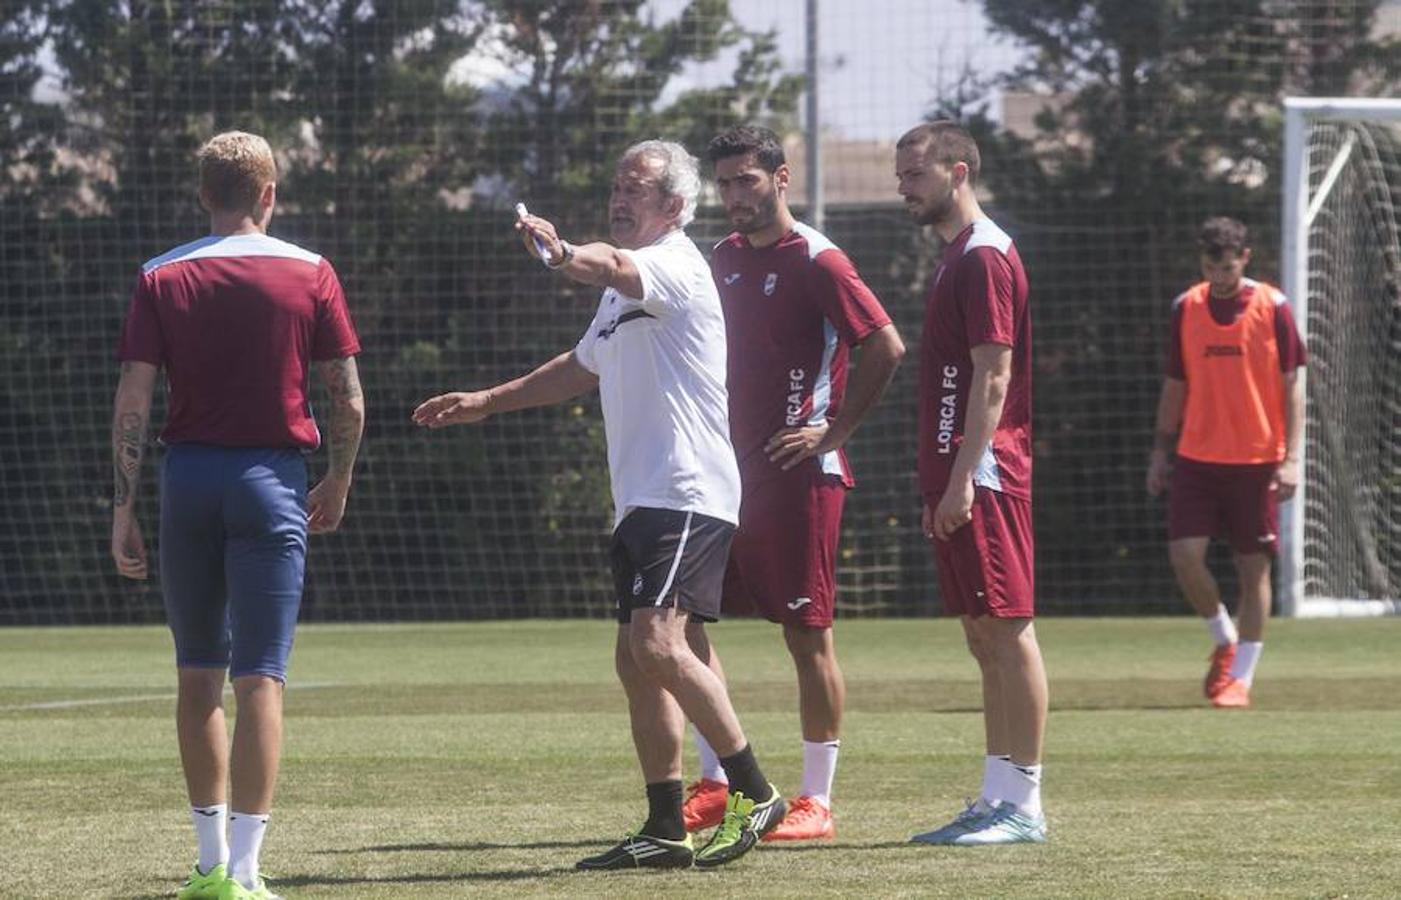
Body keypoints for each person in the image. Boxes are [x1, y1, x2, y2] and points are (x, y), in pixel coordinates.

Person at [413, 140, 785, 870]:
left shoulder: (671, 264)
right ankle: (663, 827)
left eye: (637, 188)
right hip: (642, 497)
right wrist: (486, 401)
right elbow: (582, 365)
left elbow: (609, 264)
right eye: (616, 185)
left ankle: (753, 788)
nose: (620, 197)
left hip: (686, 490)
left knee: (656, 644)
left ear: (673, 207)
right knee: (635, 659)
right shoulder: (622, 294)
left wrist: (558, 255)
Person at [112, 131, 364, 900]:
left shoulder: (161, 274)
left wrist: (122, 508)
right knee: (261, 679)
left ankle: (208, 865)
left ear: (202, 196)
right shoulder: (311, 271)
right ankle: (250, 873)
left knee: (197, 677)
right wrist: (340, 480)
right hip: (271, 480)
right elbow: (347, 398)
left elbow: (132, 399)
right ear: (269, 194)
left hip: (186, 480)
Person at [680, 125, 905, 842]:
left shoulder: (818, 259)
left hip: (796, 475)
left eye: (746, 180)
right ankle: (716, 782)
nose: (733, 196)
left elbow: (885, 344)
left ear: (781, 179)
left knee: (806, 636)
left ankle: (817, 800)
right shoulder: (717, 258)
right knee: (684, 626)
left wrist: (833, 432)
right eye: (723, 183)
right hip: (724, 474)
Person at [896, 121, 1048, 846]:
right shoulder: (954, 255)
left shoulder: (985, 255)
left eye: (915, 173)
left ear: (957, 172)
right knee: (981, 636)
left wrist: (962, 477)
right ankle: (995, 796)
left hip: (984, 471)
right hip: (955, 471)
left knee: (1008, 630)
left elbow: (994, 374)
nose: (903, 186)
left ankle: (1025, 804)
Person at [1146, 217, 1306, 709]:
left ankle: (1241, 679)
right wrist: (1159, 449)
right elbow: (1176, 384)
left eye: (1228, 266)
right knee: (1184, 555)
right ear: (1203, 261)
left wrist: (1293, 457)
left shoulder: (1273, 307)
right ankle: (1224, 637)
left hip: (1257, 458)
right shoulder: (1186, 308)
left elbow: (1294, 384)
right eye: (1211, 266)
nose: (1219, 275)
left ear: (1245, 259)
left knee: (1252, 567)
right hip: (1196, 456)